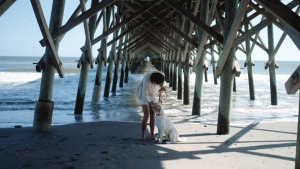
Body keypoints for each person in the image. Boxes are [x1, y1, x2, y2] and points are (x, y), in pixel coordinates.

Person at [136, 71, 168, 140]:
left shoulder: (161, 76)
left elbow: (160, 84)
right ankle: (143, 135)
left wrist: (162, 87)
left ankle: (152, 134)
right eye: (156, 83)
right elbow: (145, 96)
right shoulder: (146, 81)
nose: (156, 84)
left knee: (153, 114)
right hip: (143, 96)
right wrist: (152, 105)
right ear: (153, 80)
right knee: (146, 114)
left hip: (153, 96)